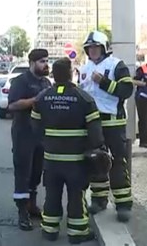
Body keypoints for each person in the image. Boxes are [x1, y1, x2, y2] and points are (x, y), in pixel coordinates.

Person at [31, 57, 105, 244]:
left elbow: (36, 128)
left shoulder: (42, 98)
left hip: (51, 159)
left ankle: (49, 230)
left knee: (52, 195)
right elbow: (95, 132)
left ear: (53, 75)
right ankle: (77, 233)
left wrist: (47, 143)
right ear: (72, 73)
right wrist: (96, 149)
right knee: (75, 195)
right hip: (76, 160)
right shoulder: (84, 99)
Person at [78, 31, 134, 222]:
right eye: (89, 48)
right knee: (96, 161)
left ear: (103, 48)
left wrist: (103, 82)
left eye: (96, 47)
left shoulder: (116, 65)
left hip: (113, 122)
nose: (92, 51)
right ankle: (99, 199)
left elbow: (126, 90)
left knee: (117, 162)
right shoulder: (84, 68)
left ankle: (123, 204)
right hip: (92, 123)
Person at [7, 48, 52, 230]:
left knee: (36, 172)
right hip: (23, 133)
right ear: (32, 63)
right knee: (23, 172)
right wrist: (34, 100)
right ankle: (22, 212)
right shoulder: (21, 81)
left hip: (40, 135)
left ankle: (32, 205)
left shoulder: (46, 82)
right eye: (42, 61)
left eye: (46, 61)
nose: (45, 64)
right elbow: (12, 105)